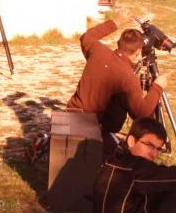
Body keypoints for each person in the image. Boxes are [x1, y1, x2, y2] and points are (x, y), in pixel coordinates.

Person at [67, 17, 164, 153]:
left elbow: (86, 37)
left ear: (118, 43)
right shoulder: (129, 78)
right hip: (97, 129)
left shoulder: (98, 51)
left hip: (72, 115)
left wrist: (116, 21)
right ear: (138, 52)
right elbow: (142, 113)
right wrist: (157, 87)